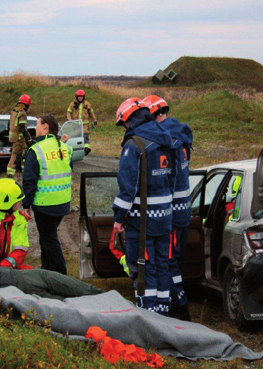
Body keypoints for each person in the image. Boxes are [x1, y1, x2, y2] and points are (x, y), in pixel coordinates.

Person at [112, 97, 176, 315]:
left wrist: (119, 218)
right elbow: (173, 179)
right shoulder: (166, 141)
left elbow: (127, 187)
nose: (125, 128)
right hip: (165, 217)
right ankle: (163, 311)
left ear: (132, 119)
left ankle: (147, 315)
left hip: (142, 219)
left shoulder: (135, 145)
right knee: (162, 263)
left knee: (142, 265)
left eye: (125, 124)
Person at [143, 95, 193, 321]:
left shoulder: (167, 140)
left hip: (170, 212)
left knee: (168, 263)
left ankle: (180, 310)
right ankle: (177, 306)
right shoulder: (180, 136)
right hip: (183, 211)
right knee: (173, 261)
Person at [22, 114, 73, 275]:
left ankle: (59, 272)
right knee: (46, 237)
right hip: (63, 202)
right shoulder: (65, 148)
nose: (35, 128)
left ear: (45, 127)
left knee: (49, 238)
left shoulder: (36, 150)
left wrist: (26, 204)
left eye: (37, 124)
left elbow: (29, 180)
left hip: (45, 203)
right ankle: (47, 270)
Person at [0, 259, 104, 301]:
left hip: (32, 276)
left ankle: (111, 298)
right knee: (68, 303)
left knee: (82, 289)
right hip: (25, 291)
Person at [7, 94, 32, 177]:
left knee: (21, 154)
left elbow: (9, 125)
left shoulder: (14, 111)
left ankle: (23, 171)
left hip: (14, 138)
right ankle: (11, 173)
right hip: (19, 138)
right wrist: (28, 139)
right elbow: (22, 127)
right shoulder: (22, 113)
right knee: (16, 155)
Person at [66, 89, 97, 156]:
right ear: (76, 97)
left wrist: (94, 120)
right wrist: (70, 120)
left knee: (85, 136)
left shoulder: (87, 104)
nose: (80, 98)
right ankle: (75, 150)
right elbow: (68, 112)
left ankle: (86, 148)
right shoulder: (72, 104)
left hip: (84, 124)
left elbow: (91, 113)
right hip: (75, 124)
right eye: (79, 97)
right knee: (76, 137)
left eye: (82, 97)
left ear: (84, 97)